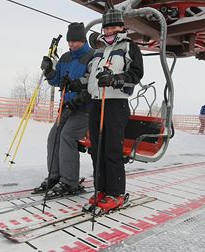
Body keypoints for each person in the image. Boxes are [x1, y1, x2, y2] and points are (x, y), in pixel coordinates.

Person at [85, 8, 144, 212]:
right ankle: (101, 189)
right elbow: (88, 76)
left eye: (113, 26)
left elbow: (136, 73)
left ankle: (116, 192)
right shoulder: (98, 51)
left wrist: (116, 79)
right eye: (106, 27)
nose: (109, 30)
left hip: (115, 104)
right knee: (96, 149)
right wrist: (76, 84)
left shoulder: (129, 47)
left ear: (121, 27)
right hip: (96, 102)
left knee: (111, 149)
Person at [35, 22, 94, 196]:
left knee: (67, 135)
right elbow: (57, 81)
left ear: (83, 40)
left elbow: (92, 82)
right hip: (67, 106)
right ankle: (55, 176)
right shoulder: (66, 57)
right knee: (54, 137)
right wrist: (48, 71)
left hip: (84, 108)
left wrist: (81, 95)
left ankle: (69, 182)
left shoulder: (91, 56)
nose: (71, 45)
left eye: (75, 41)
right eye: (70, 41)